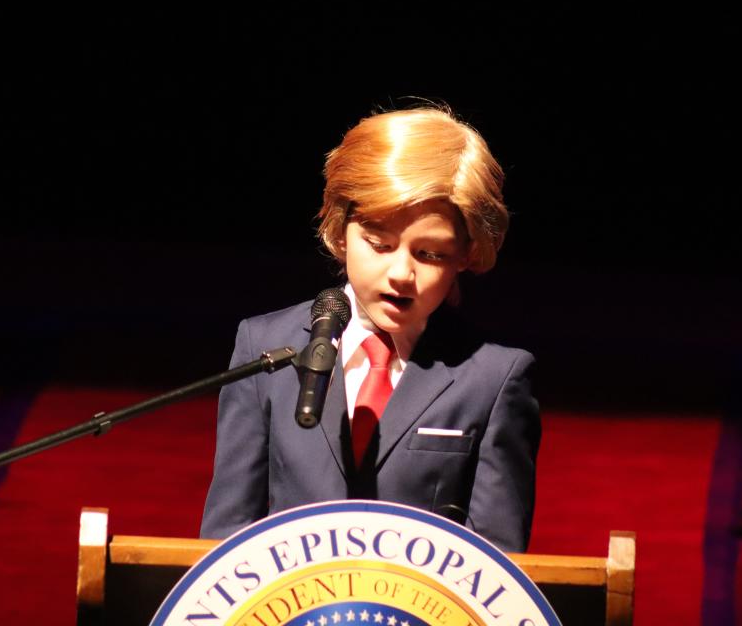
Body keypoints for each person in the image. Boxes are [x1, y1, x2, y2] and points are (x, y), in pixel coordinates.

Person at [200, 105, 540, 552]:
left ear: (466, 254)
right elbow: (224, 541)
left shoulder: (494, 379)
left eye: (431, 255)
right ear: (340, 233)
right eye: (380, 245)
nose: (401, 273)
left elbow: (498, 567)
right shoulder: (264, 346)